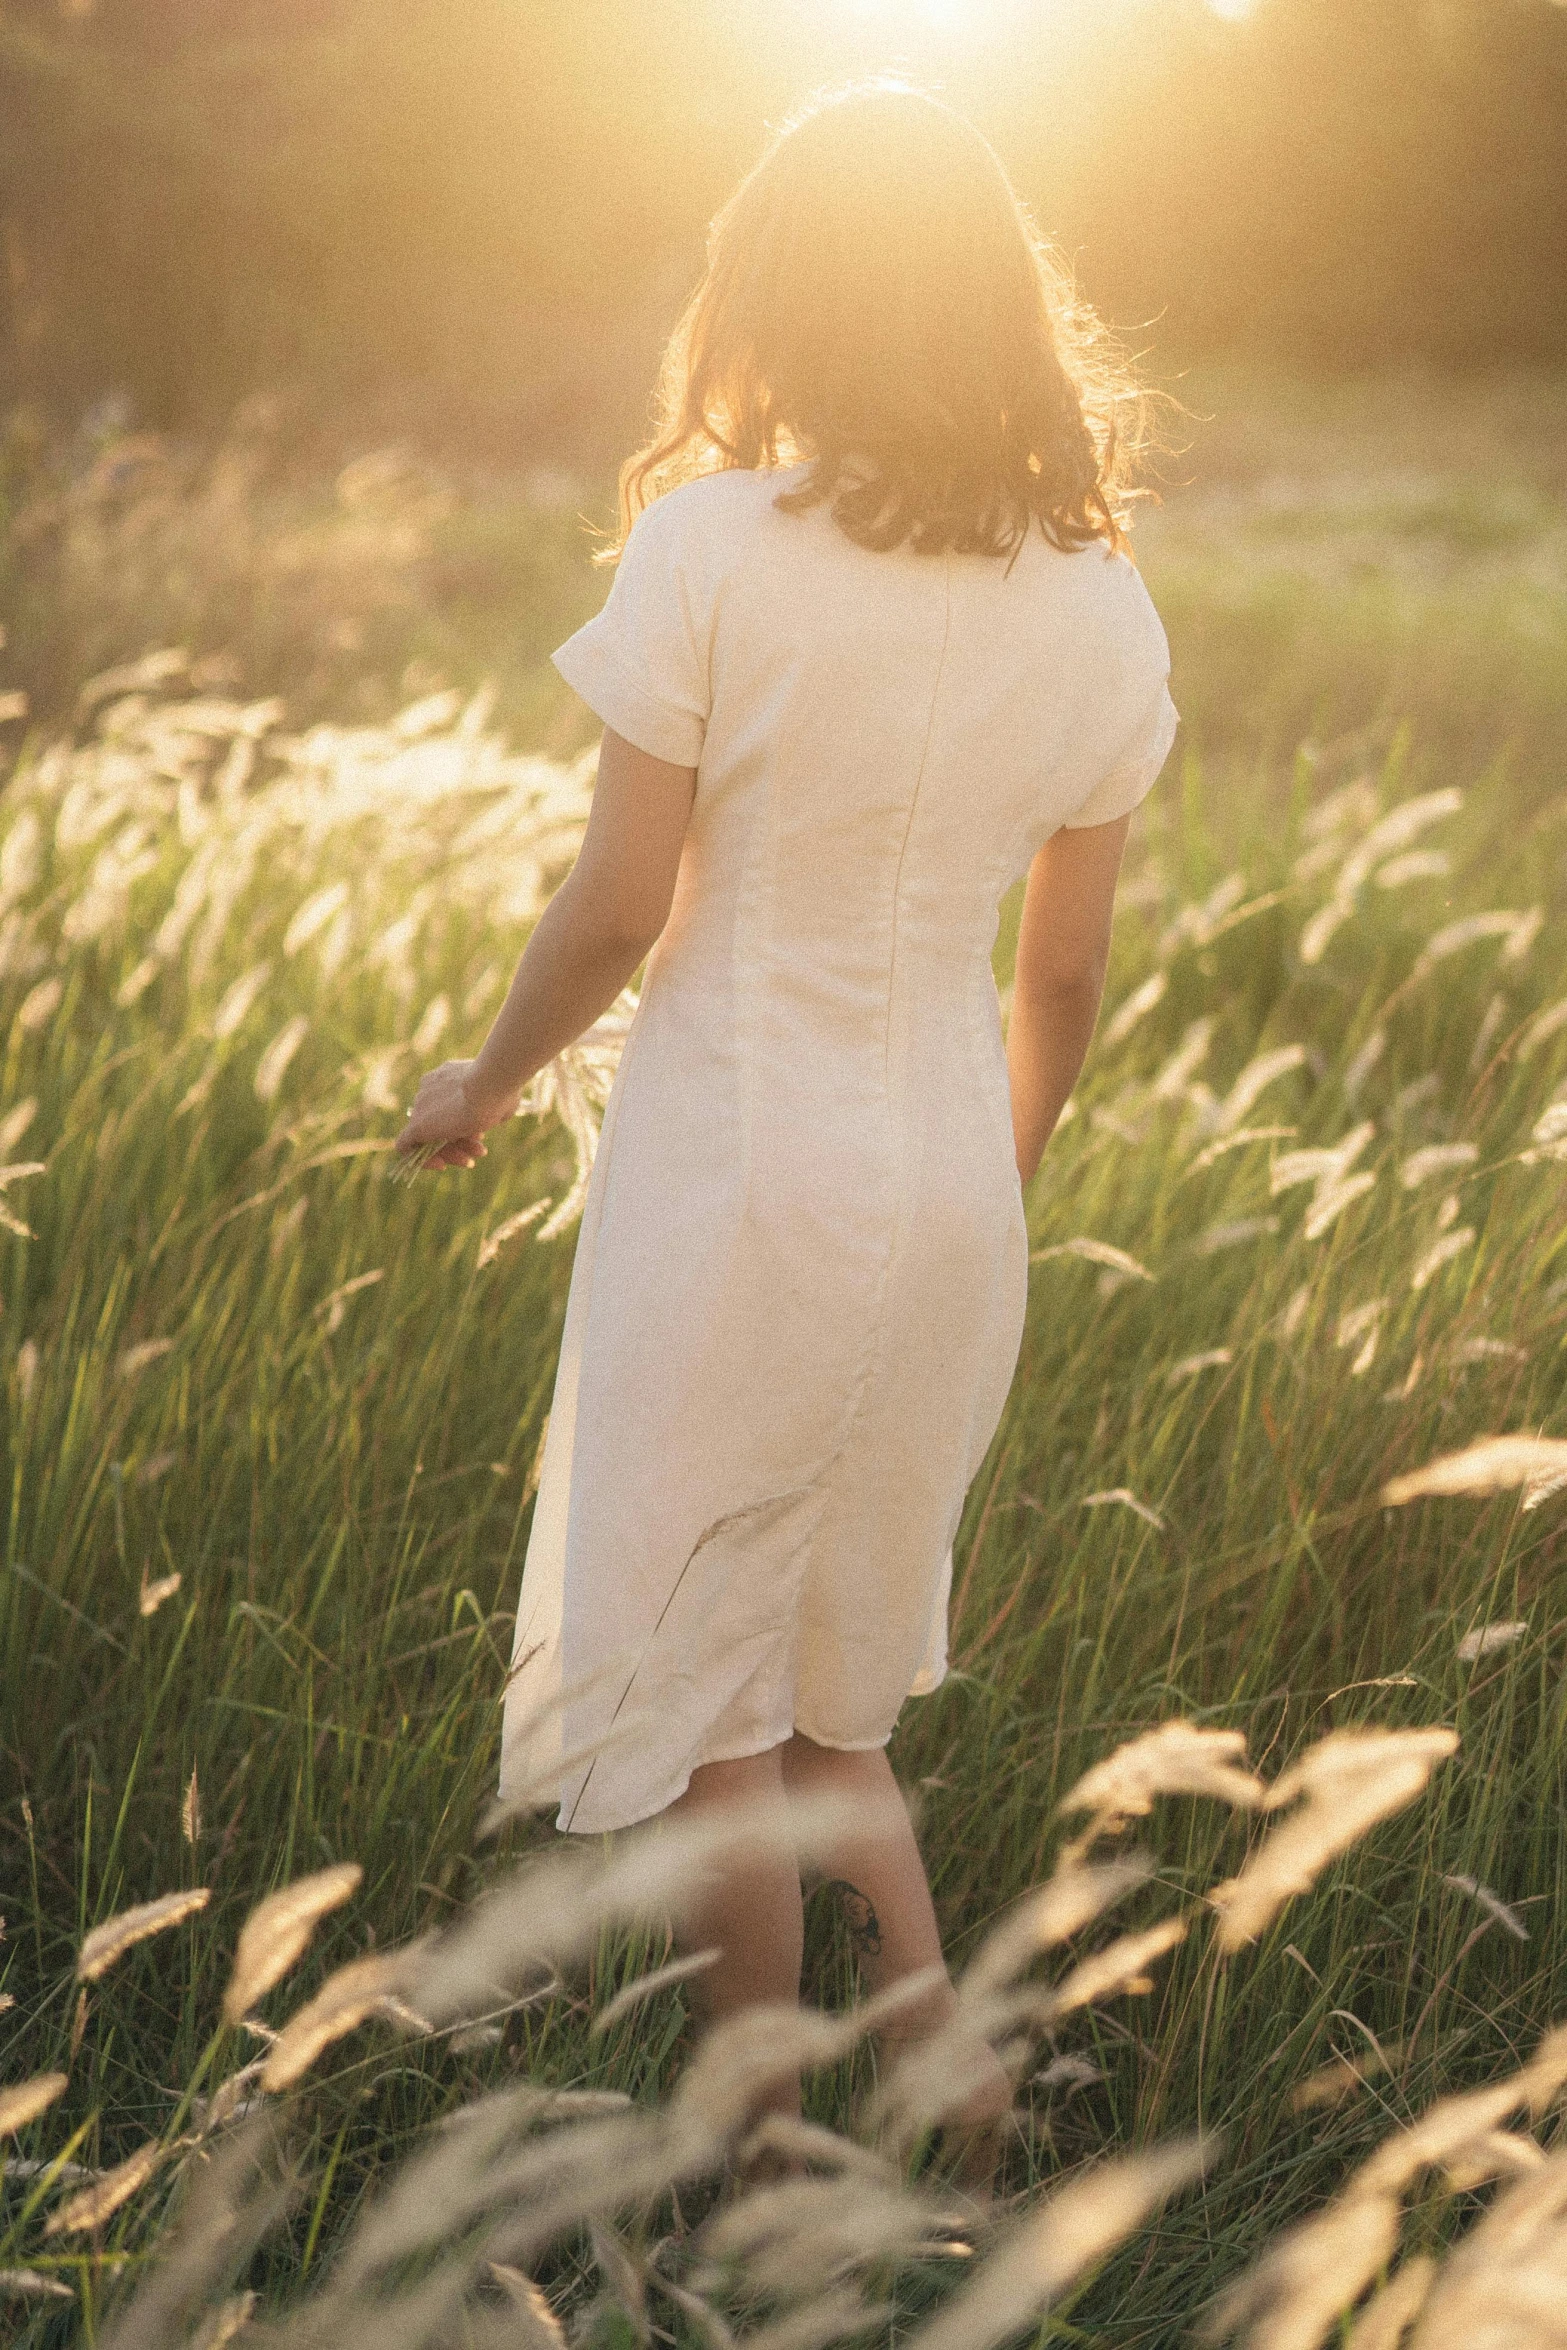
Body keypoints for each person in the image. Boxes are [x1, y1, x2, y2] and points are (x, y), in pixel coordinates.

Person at [396, 81, 1176, 2150]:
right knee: (830, 1672)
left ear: (784, 293)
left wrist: (483, 1078)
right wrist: (981, 1174)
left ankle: (760, 2132)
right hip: (946, 1192)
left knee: (720, 1696)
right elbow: (1068, 977)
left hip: (737, 1174)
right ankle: (939, 2045)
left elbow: (621, 901)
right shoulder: (1101, 602)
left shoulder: (714, 544)